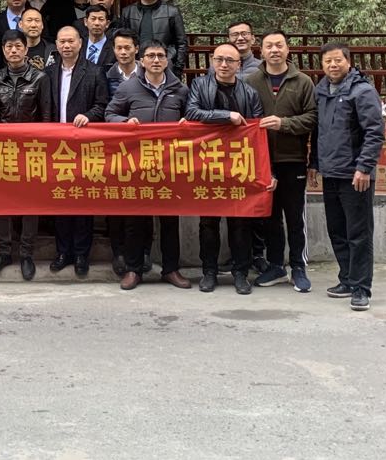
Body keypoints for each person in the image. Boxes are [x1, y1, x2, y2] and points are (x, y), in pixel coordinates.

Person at [104, 41, 189, 291]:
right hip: (137, 163)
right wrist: (124, 122)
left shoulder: (180, 89)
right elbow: (110, 114)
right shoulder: (128, 87)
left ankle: (171, 269)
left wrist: (187, 122)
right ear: (142, 60)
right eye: (150, 56)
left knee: (170, 220)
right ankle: (133, 269)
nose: (156, 60)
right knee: (135, 219)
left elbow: (192, 115)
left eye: (160, 56)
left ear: (167, 60)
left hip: (169, 164)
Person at [185, 42, 267, 295]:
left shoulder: (249, 92)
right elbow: (192, 112)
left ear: (238, 65)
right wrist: (226, 115)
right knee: (208, 222)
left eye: (230, 60)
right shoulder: (200, 85)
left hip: (239, 164)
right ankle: (209, 271)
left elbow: (257, 130)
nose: (224, 65)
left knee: (240, 222)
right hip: (207, 163)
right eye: (219, 59)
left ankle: (240, 273)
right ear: (212, 61)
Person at [314, 42, 384, 312]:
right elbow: (318, 132)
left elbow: (374, 132)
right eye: (328, 61)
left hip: (355, 175)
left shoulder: (362, 91)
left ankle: (361, 288)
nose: (333, 65)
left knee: (359, 233)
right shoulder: (321, 91)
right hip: (330, 172)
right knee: (337, 231)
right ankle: (346, 278)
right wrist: (315, 164)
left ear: (348, 62)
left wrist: (364, 167)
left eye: (338, 60)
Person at [246, 30, 318, 293]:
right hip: (262, 160)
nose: (274, 50)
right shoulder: (251, 81)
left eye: (279, 45)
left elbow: (312, 117)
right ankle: (276, 265)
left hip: (293, 159)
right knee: (270, 216)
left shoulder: (303, 81)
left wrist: (284, 123)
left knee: (295, 216)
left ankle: (298, 267)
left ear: (288, 49)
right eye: (269, 46)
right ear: (261, 51)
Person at [45, 25, 109, 278]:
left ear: (80, 43)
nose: (66, 46)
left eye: (71, 41)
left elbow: (103, 105)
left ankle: (82, 253)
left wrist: (89, 115)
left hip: (83, 145)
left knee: (82, 199)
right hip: (56, 146)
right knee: (60, 199)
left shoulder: (94, 72)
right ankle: (63, 252)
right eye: (62, 41)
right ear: (56, 45)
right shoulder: (49, 73)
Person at [0, 29, 52, 281]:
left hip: (31, 149)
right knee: (1, 201)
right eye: (9, 47)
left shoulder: (40, 78)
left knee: (29, 202)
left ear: (26, 50)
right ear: (3, 51)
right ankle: (4, 251)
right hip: (3, 149)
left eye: (18, 46)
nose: (13, 51)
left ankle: (26, 253)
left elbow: (46, 115)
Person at [104, 26, 146, 275]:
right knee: (116, 200)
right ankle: (118, 251)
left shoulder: (149, 72)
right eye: (119, 48)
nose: (123, 52)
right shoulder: (106, 75)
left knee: (144, 201)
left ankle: (142, 252)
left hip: (145, 148)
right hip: (115, 146)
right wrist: (123, 122)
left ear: (136, 49)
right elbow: (105, 109)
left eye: (127, 47)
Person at [119, 0, 188, 72]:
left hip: (164, 66)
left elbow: (181, 43)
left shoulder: (172, 12)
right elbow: (123, 41)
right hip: (136, 66)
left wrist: (177, 68)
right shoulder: (128, 12)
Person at [18, 6, 54, 72]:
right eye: (29, 20)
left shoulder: (53, 51)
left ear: (42, 25)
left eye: (37, 21)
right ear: (20, 24)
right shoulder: (14, 51)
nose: (33, 25)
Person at [81, 4, 116, 71]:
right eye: (93, 19)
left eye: (101, 19)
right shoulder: (79, 46)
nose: (97, 23)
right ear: (85, 22)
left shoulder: (113, 48)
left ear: (107, 24)